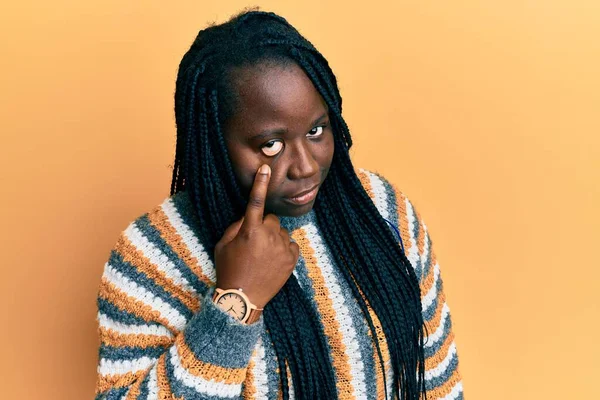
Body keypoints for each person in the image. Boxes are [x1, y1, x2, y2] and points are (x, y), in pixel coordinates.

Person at [94, 9, 464, 400]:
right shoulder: (151, 258)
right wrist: (237, 301)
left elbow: (437, 380)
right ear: (213, 143)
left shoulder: (382, 210)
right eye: (271, 145)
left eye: (316, 131)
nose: (305, 167)